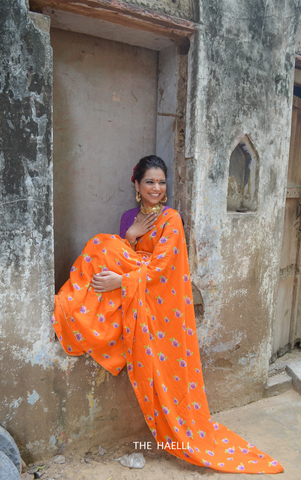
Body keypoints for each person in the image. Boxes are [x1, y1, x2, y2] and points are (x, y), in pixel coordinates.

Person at [52, 155, 283, 474]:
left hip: (156, 290)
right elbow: (124, 255)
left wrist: (123, 282)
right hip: (135, 278)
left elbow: (165, 269)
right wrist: (130, 236)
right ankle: (69, 309)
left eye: (161, 182)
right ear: (136, 185)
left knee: (101, 246)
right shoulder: (128, 217)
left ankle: (74, 312)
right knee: (100, 245)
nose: (156, 188)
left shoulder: (171, 219)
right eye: (150, 182)